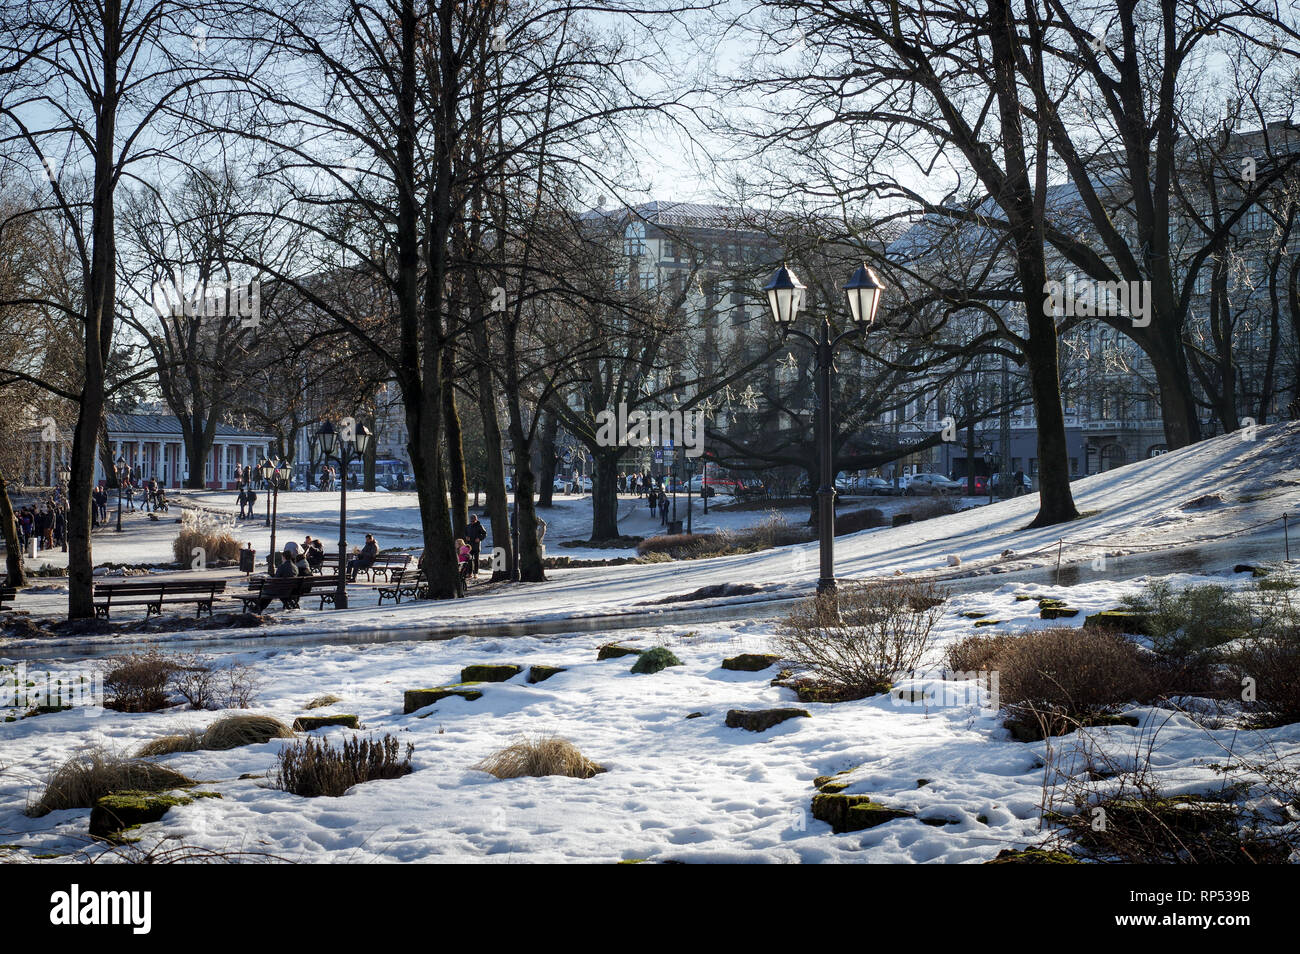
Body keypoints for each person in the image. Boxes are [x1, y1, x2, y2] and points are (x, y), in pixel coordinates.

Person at [254, 546, 301, 613]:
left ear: (284, 557)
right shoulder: (295, 567)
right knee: (269, 593)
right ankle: (258, 608)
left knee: (267, 593)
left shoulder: (282, 567)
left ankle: (258, 608)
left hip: (282, 590)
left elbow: (275, 580)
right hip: (290, 590)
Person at [465, 514, 487, 579]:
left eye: (473, 521)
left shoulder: (480, 526)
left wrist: (479, 538)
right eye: (471, 521)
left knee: (476, 560)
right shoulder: (468, 526)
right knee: (469, 560)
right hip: (469, 546)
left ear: (476, 520)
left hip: (476, 546)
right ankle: (469, 573)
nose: (472, 522)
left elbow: (484, 534)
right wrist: (466, 537)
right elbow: (465, 533)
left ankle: (476, 573)